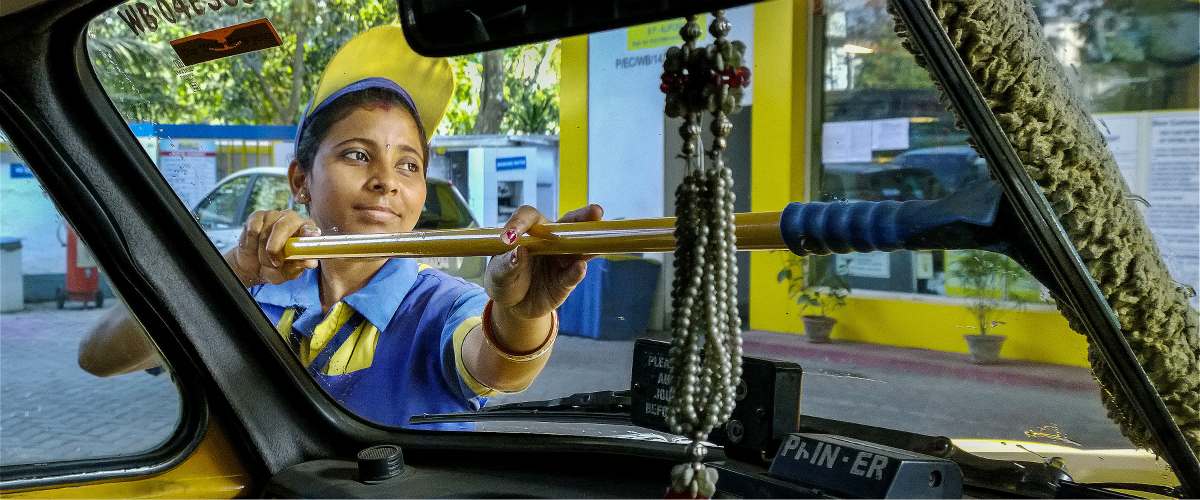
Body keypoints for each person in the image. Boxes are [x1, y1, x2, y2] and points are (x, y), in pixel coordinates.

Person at [78, 26, 603, 430]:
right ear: (300, 179)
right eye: (357, 155)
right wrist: (233, 272)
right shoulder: (245, 291)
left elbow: (497, 367)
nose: (386, 182)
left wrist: (522, 313)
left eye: (408, 165)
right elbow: (98, 357)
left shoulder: (445, 305)